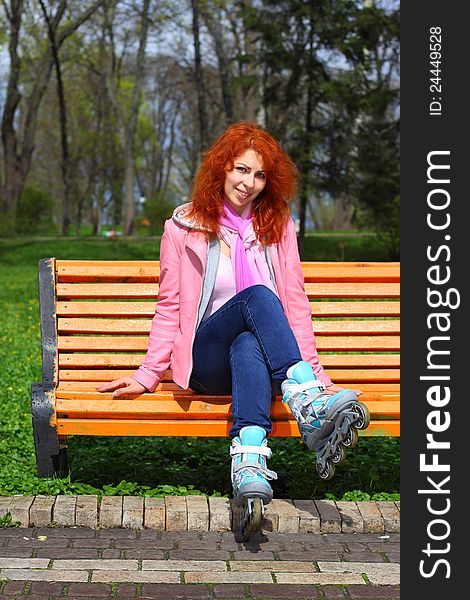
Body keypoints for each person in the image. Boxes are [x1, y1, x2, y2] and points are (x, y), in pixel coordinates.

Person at [97, 121, 369, 536]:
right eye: (241, 170)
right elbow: (169, 305)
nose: (250, 183)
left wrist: (318, 372)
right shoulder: (182, 228)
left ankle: (250, 460)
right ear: (221, 169)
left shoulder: (277, 226)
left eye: (259, 175)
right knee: (258, 296)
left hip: (258, 357)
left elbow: (295, 301)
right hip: (207, 359)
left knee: (248, 339)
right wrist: (149, 373)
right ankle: (307, 403)